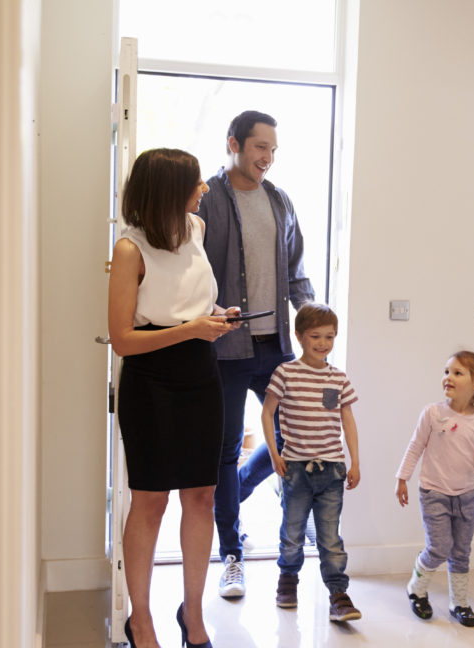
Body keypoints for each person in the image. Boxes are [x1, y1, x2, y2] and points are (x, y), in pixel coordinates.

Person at [108, 148, 241, 648]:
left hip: (200, 374)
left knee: (201, 495)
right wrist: (190, 329)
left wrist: (214, 315)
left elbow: (193, 302)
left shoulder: (196, 230)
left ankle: (193, 614)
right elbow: (122, 339)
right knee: (150, 501)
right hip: (151, 380)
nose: (204, 187)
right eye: (194, 182)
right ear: (168, 189)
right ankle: (140, 619)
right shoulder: (129, 249)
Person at [196, 110, 315, 598]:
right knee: (223, 449)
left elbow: (297, 272)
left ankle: (239, 492)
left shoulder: (280, 200)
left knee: (297, 436)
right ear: (234, 144)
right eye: (259, 147)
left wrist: (313, 325)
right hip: (225, 348)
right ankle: (231, 553)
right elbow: (191, 275)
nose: (266, 157)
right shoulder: (206, 200)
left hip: (276, 348)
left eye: (272, 150)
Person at [260, 302, 363, 622]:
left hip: (332, 469)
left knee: (330, 537)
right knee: (292, 532)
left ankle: (338, 594)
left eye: (330, 337)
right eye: (316, 336)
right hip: (296, 469)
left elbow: (348, 418)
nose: (323, 343)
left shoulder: (338, 378)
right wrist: (275, 454)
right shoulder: (286, 372)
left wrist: (354, 461)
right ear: (299, 336)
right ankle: (287, 581)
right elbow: (267, 412)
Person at [394, 351, 474, 627]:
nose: (447, 378)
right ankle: (416, 589)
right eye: (446, 371)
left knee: (461, 551)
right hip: (434, 493)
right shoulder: (432, 413)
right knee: (439, 547)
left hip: (466, 496)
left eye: (456, 373)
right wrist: (402, 478)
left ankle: (459, 603)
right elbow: (415, 446)